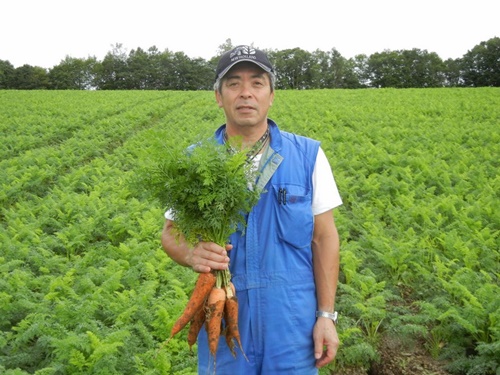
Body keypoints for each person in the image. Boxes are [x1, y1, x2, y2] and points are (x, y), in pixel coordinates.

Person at [161, 45, 342, 375]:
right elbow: (171, 234)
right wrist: (190, 254)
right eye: (233, 83)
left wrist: (326, 316)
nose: (246, 93)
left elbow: (325, 238)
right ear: (219, 96)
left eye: (257, 83)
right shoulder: (193, 161)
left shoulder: (308, 156)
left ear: (271, 95)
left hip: (293, 327)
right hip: (225, 319)